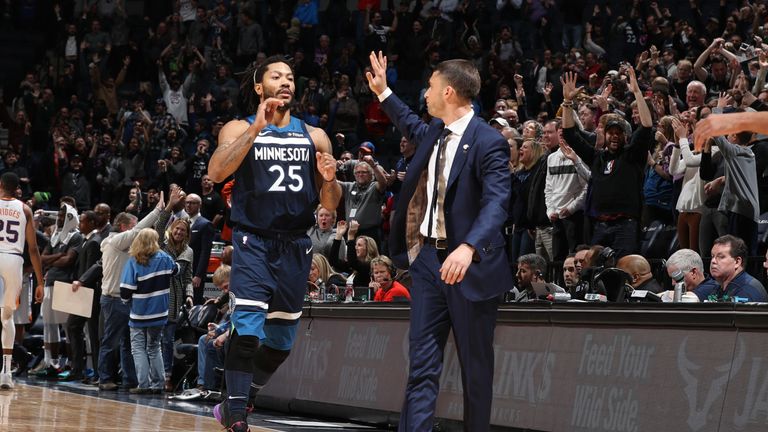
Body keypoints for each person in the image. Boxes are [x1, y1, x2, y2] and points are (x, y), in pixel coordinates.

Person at [367, 51, 512, 431]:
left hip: (470, 267)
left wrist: (470, 246)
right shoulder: (434, 132)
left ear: (448, 92)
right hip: (429, 263)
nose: (425, 95)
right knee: (422, 366)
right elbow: (409, 122)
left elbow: (497, 204)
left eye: (430, 88)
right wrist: (384, 93)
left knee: (475, 370)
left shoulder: (489, 142)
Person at [207, 56, 341, 432]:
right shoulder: (238, 127)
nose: (286, 82)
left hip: (296, 245)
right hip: (254, 241)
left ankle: (240, 399)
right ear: (258, 87)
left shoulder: (314, 135)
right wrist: (256, 131)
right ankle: (236, 417)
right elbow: (215, 172)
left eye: (291, 77)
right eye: (277, 76)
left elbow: (329, 203)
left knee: (281, 342)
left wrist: (329, 180)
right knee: (247, 331)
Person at [120, 228, 179, 394]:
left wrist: (126, 302)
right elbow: (177, 271)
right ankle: (158, 384)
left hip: (139, 313)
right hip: (160, 313)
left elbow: (126, 290)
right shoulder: (165, 258)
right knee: (154, 347)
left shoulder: (134, 261)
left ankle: (143, 385)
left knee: (138, 348)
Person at [0, 173, 45, 389]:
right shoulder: (25, 209)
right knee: (7, 317)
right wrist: (40, 282)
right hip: (14, 261)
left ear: (1, 185)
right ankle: (6, 373)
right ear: (17, 188)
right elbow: (34, 249)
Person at [709, 235, 768, 302]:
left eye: (721, 257)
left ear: (737, 262)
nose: (713, 261)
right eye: (712, 256)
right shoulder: (718, 287)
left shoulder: (747, 291)